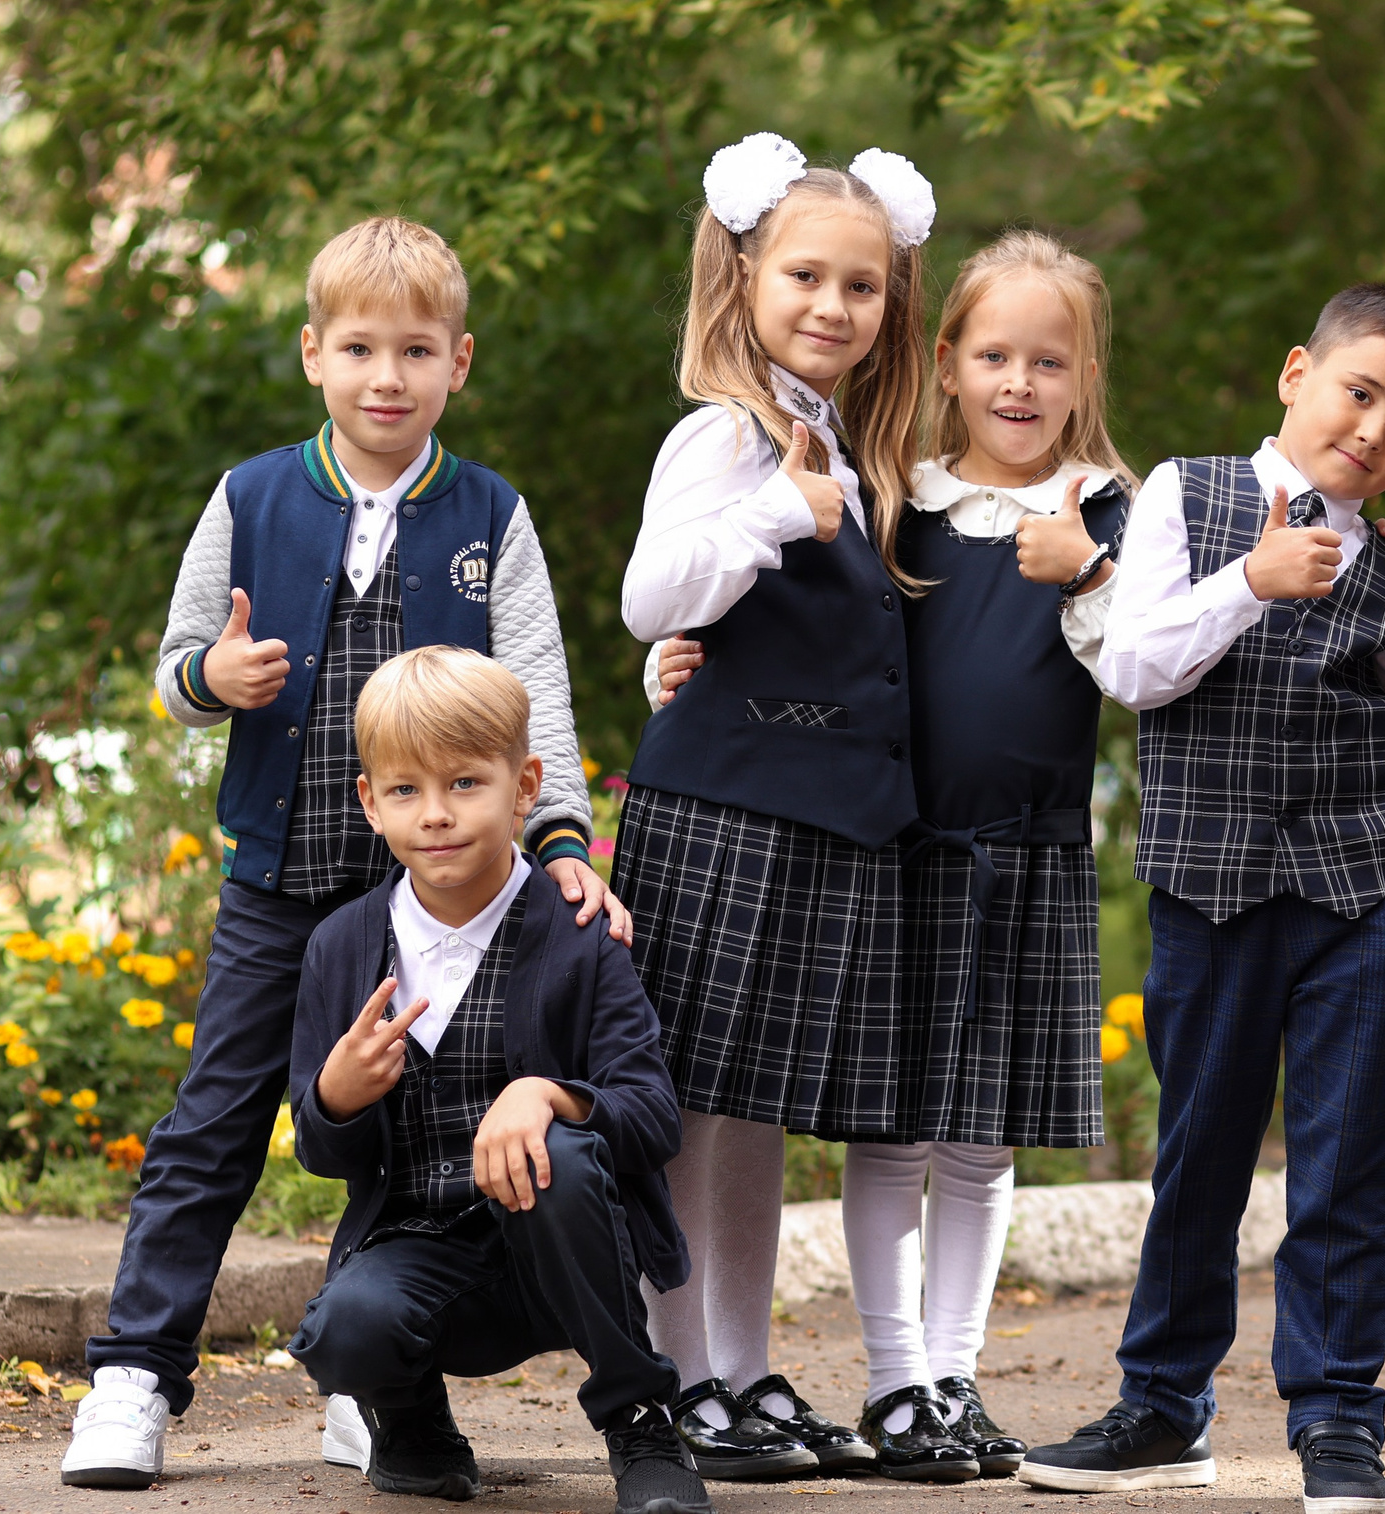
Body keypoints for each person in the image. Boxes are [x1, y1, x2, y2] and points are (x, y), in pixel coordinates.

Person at [62, 217, 624, 1490]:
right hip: (276, 882)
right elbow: (173, 664)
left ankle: (370, 1382)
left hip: (420, 895)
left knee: (395, 1124)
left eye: (415, 350)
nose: (387, 375)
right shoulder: (253, 495)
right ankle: (134, 1373)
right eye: (360, 347)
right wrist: (212, 675)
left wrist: (562, 839)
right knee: (213, 1120)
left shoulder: (490, 513)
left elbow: (537, 683)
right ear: (314, 353)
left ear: (457, 362)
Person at [648, 231, 1138, 1482]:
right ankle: (887, 1376)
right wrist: (675, 661)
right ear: (946, 360)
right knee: (889, 1128)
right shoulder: (897, 493)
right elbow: (806, 629)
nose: (1019, 383)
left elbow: (1156, 655)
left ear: (1085, 374)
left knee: (980, 1143)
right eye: (992, 355)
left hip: (1028, 855)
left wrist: (1085, 568)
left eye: (1048, 360)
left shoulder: (1105, 509)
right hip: (901, 851)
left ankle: (945, 1376)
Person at [1016, 283, 1385, 1514]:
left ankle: (1334, 1420)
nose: (1375, 432)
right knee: (1198, 1152)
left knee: (1342, 1169)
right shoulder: (1186, 490)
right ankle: (1162, 1404)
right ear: (1294, 375)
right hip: (1209, 889)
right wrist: (1252, 582)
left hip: (1359, 896)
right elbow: (1136, 667)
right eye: (1358, 393)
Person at [609, 132, 933, 1478]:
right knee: (692, 1109)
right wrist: (769, 523)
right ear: (742, 275)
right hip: (723, 810)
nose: (830, 305)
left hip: (814, 817)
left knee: (756, 1112)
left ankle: (740, 1370)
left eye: (860, 286)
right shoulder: (727, 433)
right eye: (804, 274)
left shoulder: (844, 436)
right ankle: (677, 1373)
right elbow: (649, 593)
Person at [282, 647, 703, 1512]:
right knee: (342, 1328)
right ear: (371, 802)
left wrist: (551, 1093)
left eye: (466, 784)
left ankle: (642, 1423)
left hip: (569, 1260)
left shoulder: (582, 931)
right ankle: (412, 1425)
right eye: (406, 790)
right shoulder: (342, 947)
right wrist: (338, 1093)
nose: (436, 815)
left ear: (524, 787)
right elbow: (321, 1151)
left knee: (560, 1152)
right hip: (423, 1256)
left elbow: (654, 1117)